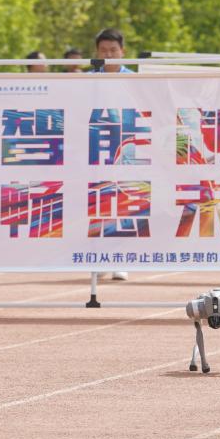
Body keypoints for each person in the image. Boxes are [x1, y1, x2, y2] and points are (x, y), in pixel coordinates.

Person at [92, 28, 132, 281]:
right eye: (104, 51)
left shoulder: (136, 81)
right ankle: (99, 257)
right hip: (95, 150)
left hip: (127, 149)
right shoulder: (85, 80)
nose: (108, 55)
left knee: (125, 202)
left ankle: (121, 259)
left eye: (113, 50)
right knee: (99, 202)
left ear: (122, 52)